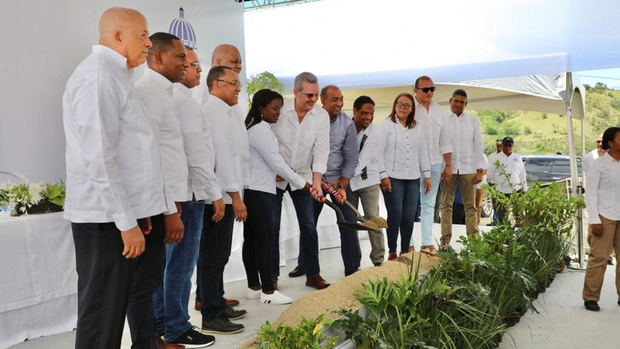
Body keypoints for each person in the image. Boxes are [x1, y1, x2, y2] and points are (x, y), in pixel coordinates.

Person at [63, 8, 175, 349]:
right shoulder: (98, 77)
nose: (147, 43)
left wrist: (142, 212)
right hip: (105, 220)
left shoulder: (117, 75)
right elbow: (99, 157)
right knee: (101, 316)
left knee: (114, 310)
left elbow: (135, 154)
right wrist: (127, 222)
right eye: (142, 35)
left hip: (120, 216)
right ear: (117, 36)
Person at [151, 45, 224, 347]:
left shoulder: (169, 97)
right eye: (188, 62)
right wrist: (215, 193)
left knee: (167, 267)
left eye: (194, 63)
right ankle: (177, 327)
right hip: (190, 193)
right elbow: (197, 154)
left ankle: (161, 326)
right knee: (180, 266)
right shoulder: (184, 102)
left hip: (175, 193)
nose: (193, 69)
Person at [243, 89, 318, 304]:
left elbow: (269, 164)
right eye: (275, 109)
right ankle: (268, 292)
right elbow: (276, 162)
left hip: (253, 190)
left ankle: (253, 286)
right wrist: (303, 183)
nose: (278, 113)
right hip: (261, 192)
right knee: (266, 242)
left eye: (280, 109)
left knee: (252, 241)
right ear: (261, 108)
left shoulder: (254, 128)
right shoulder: (261, 130)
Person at [195, 44, 245, 311]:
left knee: (218, 254)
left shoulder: (223, 110)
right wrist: (235, 197)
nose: (238, 87)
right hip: (219, 196)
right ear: (216, 84)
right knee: (214, 255)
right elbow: (222, 160)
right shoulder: (213, 111)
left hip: (223, 194)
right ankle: (212, 309)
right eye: (233, 83)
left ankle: (214, 301)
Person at [290, 85, 359, 276]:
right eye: (334, 99)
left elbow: (351, 157)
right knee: (308, 224)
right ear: (323, 100)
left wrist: (343, 184)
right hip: (313, 182)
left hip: (339, 182)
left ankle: (352, 269)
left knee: (348, 222)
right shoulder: (311, 120)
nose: (339, 103)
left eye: (341, 99)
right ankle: (305, 264)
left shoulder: (347, 124)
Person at [272, 72, 330, 289]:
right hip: (276, 176)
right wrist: (274, 169)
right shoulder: (279, 111)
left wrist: (316, 182)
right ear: (295, 92)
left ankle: (313, 274)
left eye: (316, 95)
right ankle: (271, 277)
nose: (313, 100)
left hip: (304, 177)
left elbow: (322, 150)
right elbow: (269, 143)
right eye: (308, 95)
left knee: (308, 225)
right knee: (273, 226)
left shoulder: (321, 116)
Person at [378, 93, 431, 260]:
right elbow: (377, 152)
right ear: (394, 106)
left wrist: (427, 175)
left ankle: (404, 251)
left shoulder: (418, 127)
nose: (402, 107)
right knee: (395, 214)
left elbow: (422, 152)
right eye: (400, 104)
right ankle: (392, 251)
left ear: (412, 109)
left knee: (409, 216)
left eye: (407, 105)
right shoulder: (386, 126)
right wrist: (382, 174)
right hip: (392, 177)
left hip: (413, 178)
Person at [409, 76, 452, 255]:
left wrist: (448, 165)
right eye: (425, 89)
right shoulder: (408, 108)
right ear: (416, 90)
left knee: (429, 205)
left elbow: (446, 139)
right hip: (412, 164)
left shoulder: (440, 111)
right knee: (410, 205)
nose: (429, 93)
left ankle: (426, 243)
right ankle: (407, 243)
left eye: (432, 89)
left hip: (435, 163)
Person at [439, 89, 486, 250]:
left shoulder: (473, 120)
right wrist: (443, 166)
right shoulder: (442, 119)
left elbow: (478, 144)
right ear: (450, 100)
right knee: (446, 205)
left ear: (466, 104)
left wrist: (480, 169)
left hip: (468, 168)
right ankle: (445, 242)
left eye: (462, 102)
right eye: (456, 101)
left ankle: (474, 242)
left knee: (471, 206)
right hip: (448, 168)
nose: (458, 104)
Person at [582, 127, 620, 312]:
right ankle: (590, 297)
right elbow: (590, 194)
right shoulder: (598, 165)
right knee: (599, 258)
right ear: (610, 142)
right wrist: (594, 219)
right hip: (604, 217)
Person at [350, 96, 385, 266]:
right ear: (354, 111)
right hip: (348, 184)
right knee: (350, 221)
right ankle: (353, 262)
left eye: (371, 113)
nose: (368, 117)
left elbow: (363, 159)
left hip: (368, 181)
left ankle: (378, 260)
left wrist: (343, 179)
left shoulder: (375, 132)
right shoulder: (345, 128)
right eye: (364, 113)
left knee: (372, 218)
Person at [583, 133, 614, 265]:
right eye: (598, 141)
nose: (600, 144)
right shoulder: (589, 157)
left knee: (611, 233)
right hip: (594, 201)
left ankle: (608, 255)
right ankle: (595, 253)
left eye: (603, 142)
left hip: (611, 203)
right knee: (592, 232)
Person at [486, 137, 527, 221]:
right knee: (502, 216)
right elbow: (490, 174)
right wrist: (492, 187)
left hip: (515, 190)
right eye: (506, 145)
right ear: (503, 146)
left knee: (518, 214)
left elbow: (522, 174)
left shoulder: (517, 157)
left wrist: (524, 188)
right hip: (501, 191)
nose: (508, 147)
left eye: (510, 145)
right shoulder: (496, 158)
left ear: (513, 146)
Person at [487, 139, 503, 224]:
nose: (499, 147)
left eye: (500, 145)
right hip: (492, 182)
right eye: (497, 145)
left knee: (501, 203)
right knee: (494, 202)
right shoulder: (491, 156)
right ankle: (495, 220)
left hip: (502, 183)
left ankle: (502, 220)